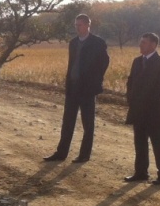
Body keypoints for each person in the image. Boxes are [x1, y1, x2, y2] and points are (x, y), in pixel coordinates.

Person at [44, 13, 110, 163]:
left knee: (88, 123)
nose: (77, 28)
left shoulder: (98, 42)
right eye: (76, 25)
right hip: (73, 87)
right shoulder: (73, 42)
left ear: (88, 25)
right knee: (67, 122)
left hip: (88, 89)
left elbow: (105, 62)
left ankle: (84, 155)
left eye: (79, 25)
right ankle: (61, 153)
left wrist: (95, 80)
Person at [123, 33, 160, 185]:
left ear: (153, 45)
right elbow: (131, 82)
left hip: (154, 111)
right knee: (140, 143)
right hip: (138, 110)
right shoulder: (137, 61)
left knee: (159, 145)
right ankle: (141, 172)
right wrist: (131, 99)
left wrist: (145, 101)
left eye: (143, 43)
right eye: (140, 42)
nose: (140, 45)